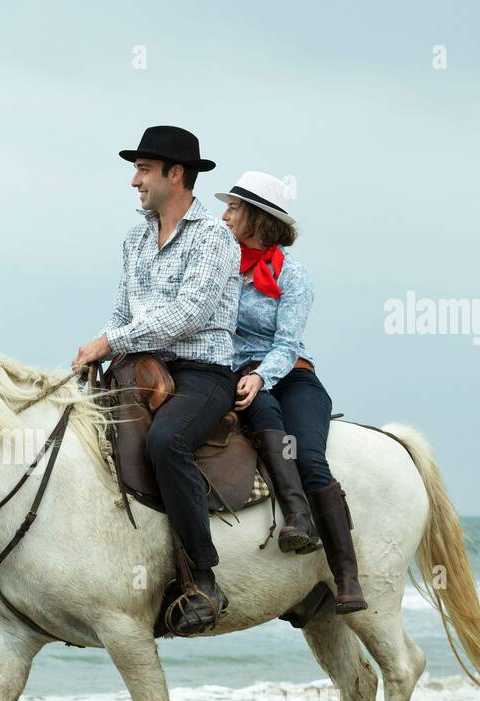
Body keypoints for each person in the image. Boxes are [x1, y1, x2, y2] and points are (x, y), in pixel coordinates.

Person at [72, 125, 241, 634]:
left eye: (143, 170)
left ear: (176, 174)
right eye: (136, 170)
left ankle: (203, 580)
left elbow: (189, 313)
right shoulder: (135, 238)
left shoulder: (213, 237)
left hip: (201, 372)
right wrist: (96, 349)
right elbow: (124, 312)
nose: (134, 181)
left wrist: (111, 342)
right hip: (141, 369)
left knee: (168, 441)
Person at [216, 171, 366, 613]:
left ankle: (347, 577)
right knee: (261, 414)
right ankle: (297, 517)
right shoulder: (221, 266)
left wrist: (262, 375)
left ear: (258, 218)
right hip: (236, 373)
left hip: (291, 373)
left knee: (311, 457)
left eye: (234, 208)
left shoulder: (295, 277)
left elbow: (286, 343)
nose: (224, 215)